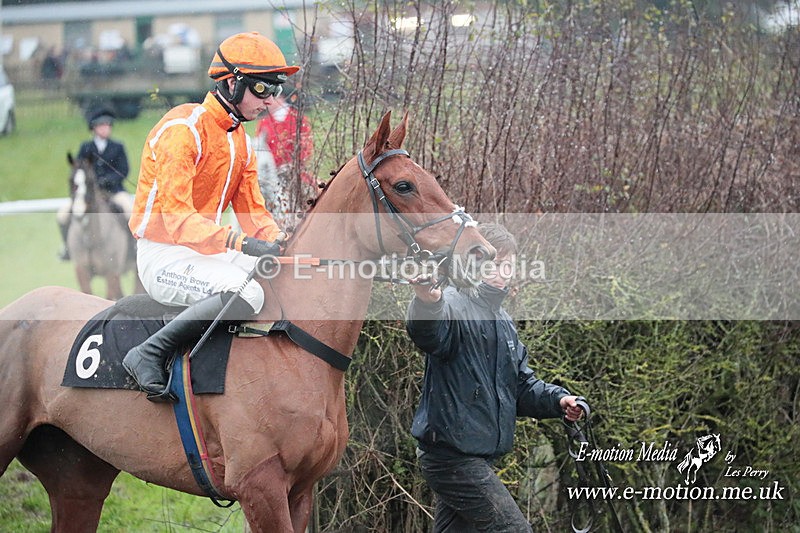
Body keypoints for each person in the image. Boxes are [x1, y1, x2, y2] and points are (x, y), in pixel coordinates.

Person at [122, 32, 299, 398]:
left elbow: (254, 215)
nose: (270, 102)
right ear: (232, 83)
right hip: (163, 253)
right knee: (247, 294)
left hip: (206, 251)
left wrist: (279, 240)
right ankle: (147, 353)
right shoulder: (182, 130)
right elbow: (178, 221)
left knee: (279, 280)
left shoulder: (241, 142)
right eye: (263, 89)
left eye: (276, 89)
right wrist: (244, 243)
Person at [406, 222, 585, 532]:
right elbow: (428, 333)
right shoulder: (450, 304)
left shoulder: (503, 322)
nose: (503, 273)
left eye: (508, 265)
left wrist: (559, 400)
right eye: (494, 263)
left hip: (476, 457)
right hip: (451, 458)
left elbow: (520, 387)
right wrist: (426, 300)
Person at [57, 107, 131, 260]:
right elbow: (78, 169)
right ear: (94, 128)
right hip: (89, 193)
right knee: (62, 215)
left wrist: (108, 181)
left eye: (108, 125)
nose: (106, 128)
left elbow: (124, 170)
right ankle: (67, 247)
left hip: (114, 191)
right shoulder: (86, 147)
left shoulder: (118, 147)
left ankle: (133, 248)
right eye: (102, 125)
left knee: (130, 211)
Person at [255, 92, 314, 225]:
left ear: (281, 98)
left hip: (295, 171)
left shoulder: (298, 119)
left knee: (311, 194)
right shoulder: (264, 123)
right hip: (271, 175)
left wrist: (294, 165)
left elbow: (306, 147)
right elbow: (261, 151)